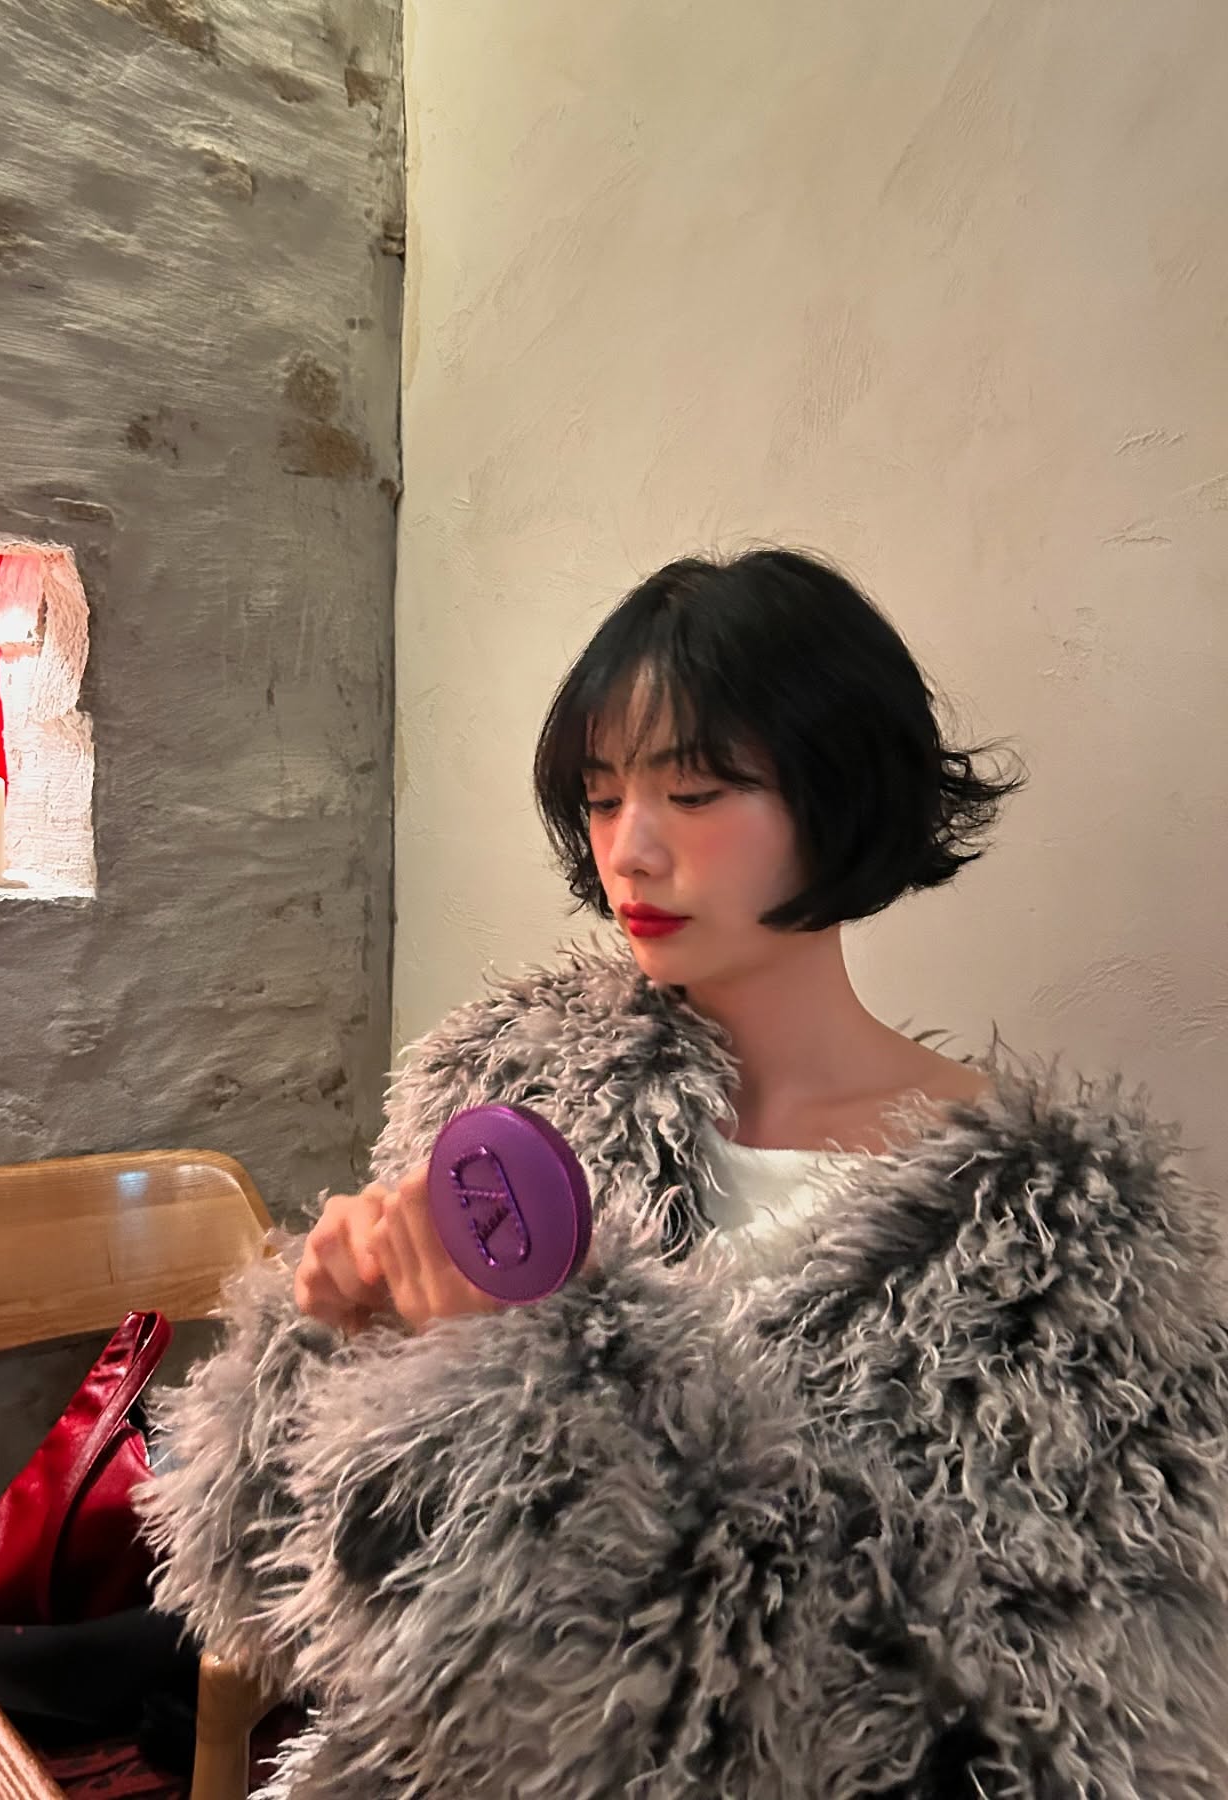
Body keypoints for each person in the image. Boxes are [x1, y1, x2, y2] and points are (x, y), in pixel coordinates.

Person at [142, 549, 1228, 1799]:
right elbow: (266, 1585)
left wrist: (522, 1389)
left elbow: (1040, 1743)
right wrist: (332, 1339)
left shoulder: (1061, 1249)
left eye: (697, 791)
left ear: (842, 788)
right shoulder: (509, 1086)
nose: (631, 851)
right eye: (602, 798)